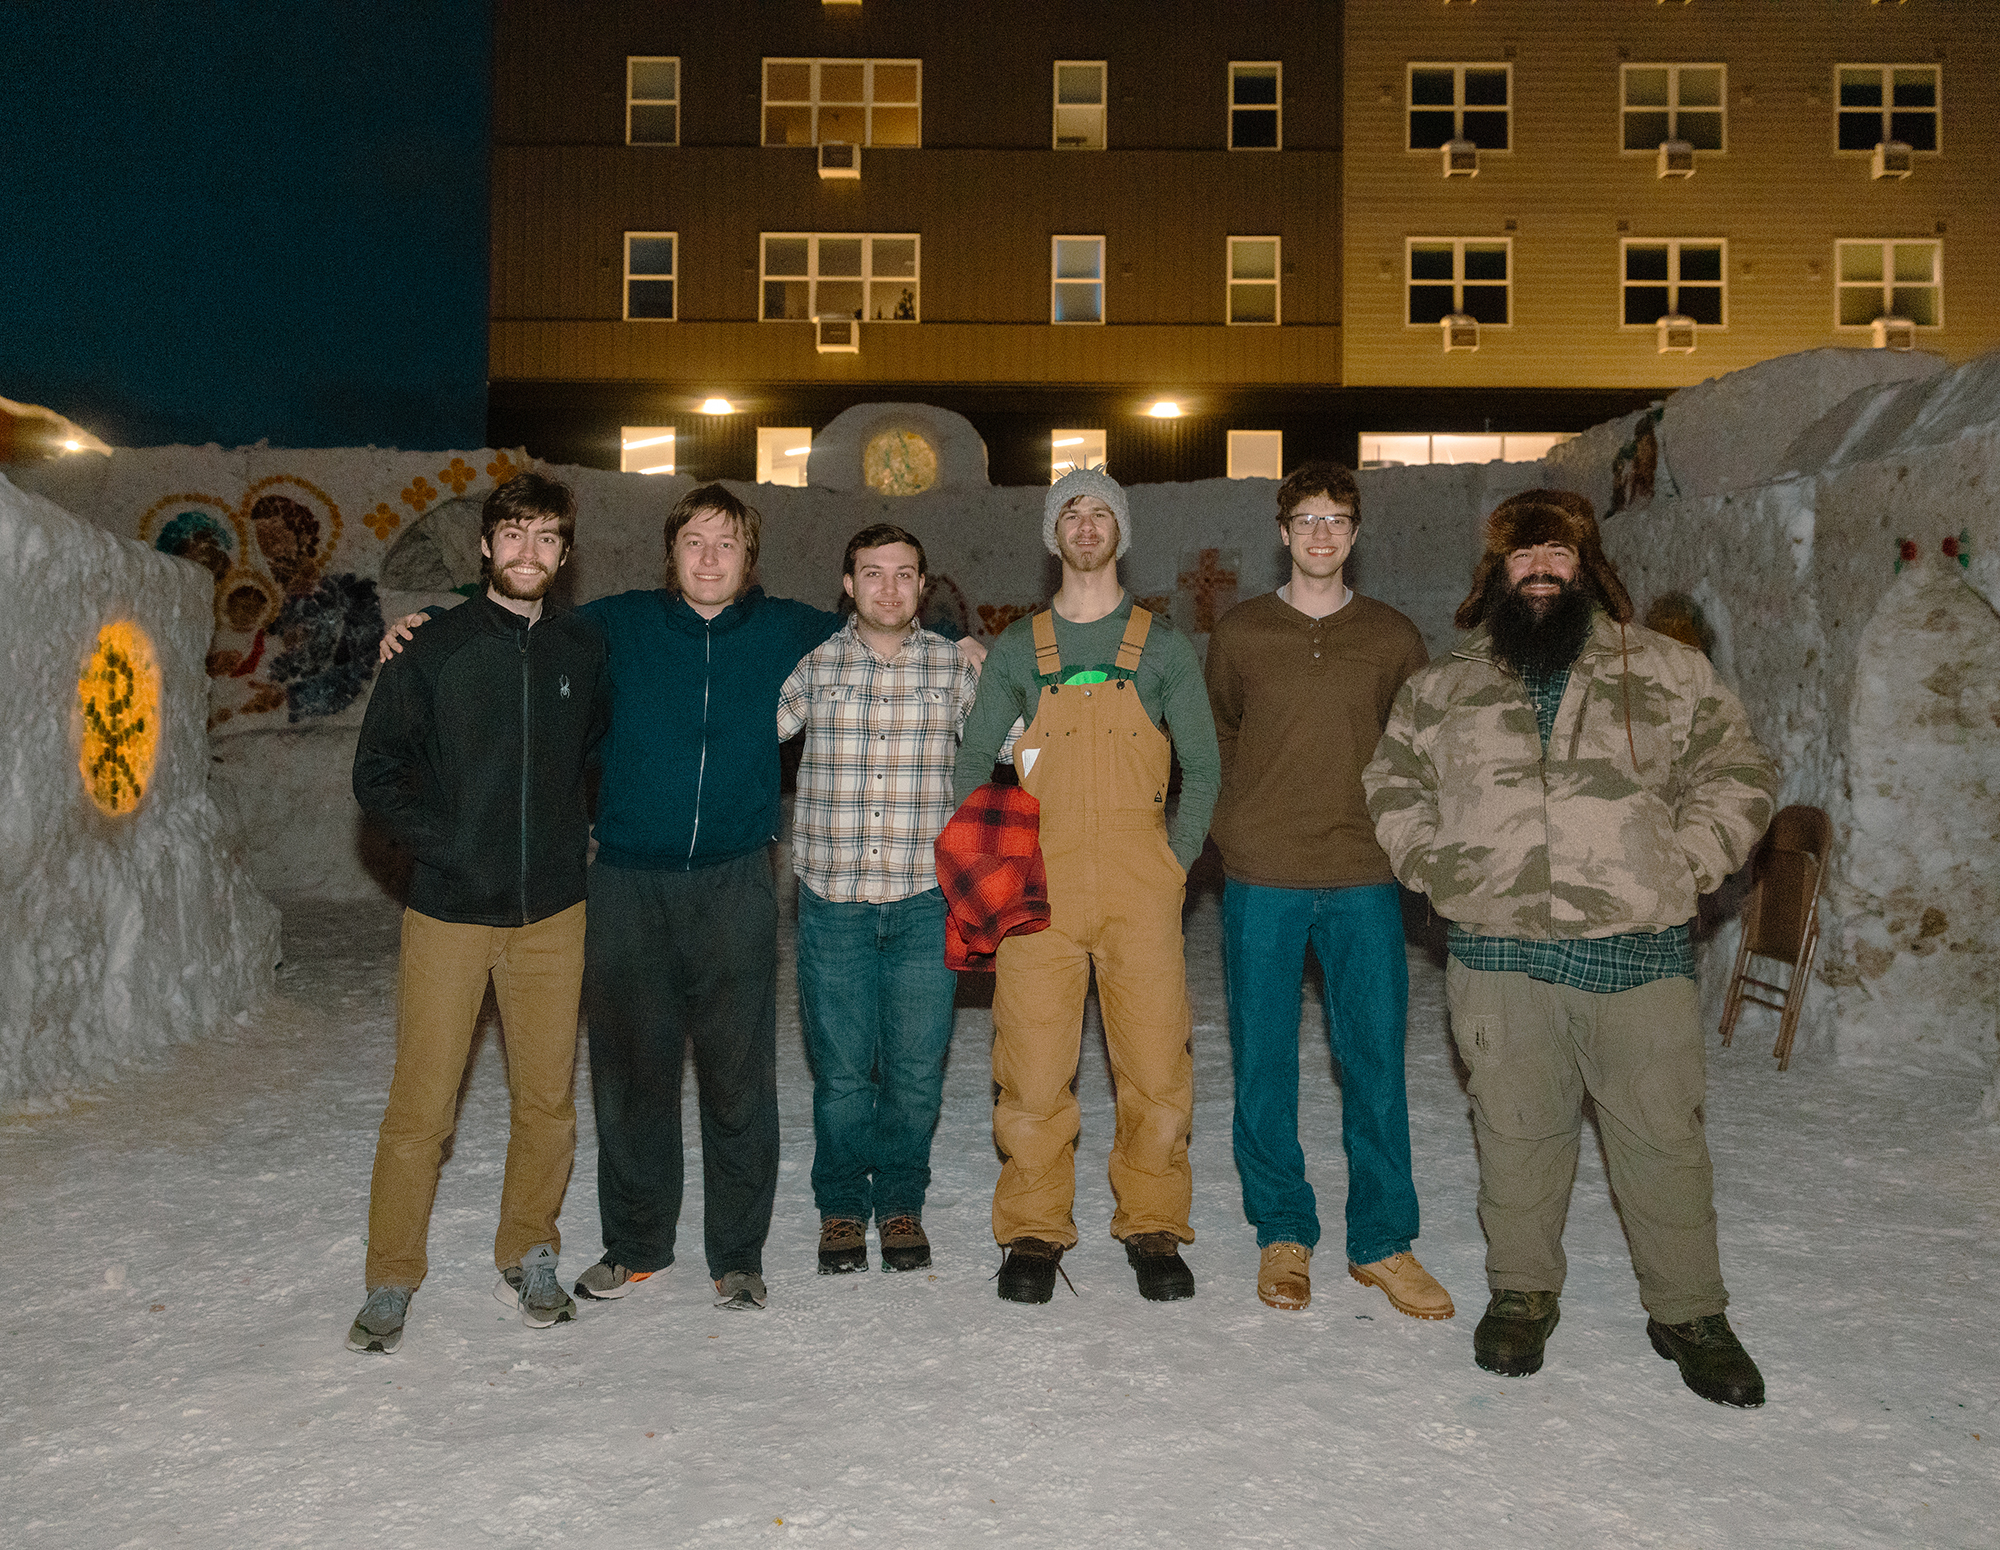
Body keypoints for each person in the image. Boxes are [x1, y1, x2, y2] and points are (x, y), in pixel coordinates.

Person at [381, 483, 983, 1314]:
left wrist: (968, 647)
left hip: (737, 881)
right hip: (627, 880)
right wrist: (415, 626)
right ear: (671, 553)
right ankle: (634, 1243)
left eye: (727, 544)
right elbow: (515, 628)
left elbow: (884, 628)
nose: (709, 558)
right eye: (695, 542)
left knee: (740, 1079)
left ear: (750, 559)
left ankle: (737, 1255)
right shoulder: (615, 626)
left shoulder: (791, 634)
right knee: (632, 1073)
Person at [1364, 488, 1776, 1407]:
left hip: (1635, 955)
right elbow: (1393, 783)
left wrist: (1686, 863)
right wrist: (1436, 865)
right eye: (1523, 555)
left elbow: (1741, 771)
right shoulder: (1446, 685)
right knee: (1515, 1134)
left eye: (1558, 553)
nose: (1541, 569)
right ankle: (1521, 1294)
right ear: (1497, 573)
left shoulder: (1666, 673)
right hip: (1499, 955)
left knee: (1663, 1140)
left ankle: (1690, 1313)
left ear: (1587, 567)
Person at [347, 471, 610, 1353]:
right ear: (486, 546)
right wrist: (449, 843)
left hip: (551, 917)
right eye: (513, 534)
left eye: (546, 539)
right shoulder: (431, 648)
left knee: (546, 1101)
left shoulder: (582, 652)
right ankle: (391, 1276)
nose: (528, 552)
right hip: (451, 913)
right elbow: (377, 773)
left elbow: (599, 757)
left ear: (564, 556)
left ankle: (530, 1248)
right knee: (422, 1106)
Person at [951, 467, 1220, 1303]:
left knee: (1154, 1072)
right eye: (1071, 511)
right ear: (1051, 535)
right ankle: (1033, 1229)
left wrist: (1172, 865)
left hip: (1141, 888)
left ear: (1122, 532)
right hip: (1041, 893)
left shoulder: (1163, 646)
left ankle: (1153, 1224)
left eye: (1102, 510)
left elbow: (1204, 767)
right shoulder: (1019, 648)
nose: (1087, 522)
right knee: (1031, 1072)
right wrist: (996, 870)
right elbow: (972, 762)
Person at [1203, 463, 1451, 1319]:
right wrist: (1235, 827)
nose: (1319, 534)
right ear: (1282, 532)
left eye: (1335, 521)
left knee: (1375, 1062)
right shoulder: (1240, 633)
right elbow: (1222, 731)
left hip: (1364, 873)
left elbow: (1417, 748)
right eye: (1304, 519)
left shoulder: (1391, 636)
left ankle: (1383, 1242)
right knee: (1264, 1063)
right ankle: (1283, 1231)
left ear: (1354, 534)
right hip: (1262, 877)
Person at [776, 524, 978, 1276]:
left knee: (917, 1070)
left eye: (904, 575)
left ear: (924, 586)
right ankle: (839, 1207)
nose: (889, 588)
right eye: (872, 573)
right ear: (847, 583)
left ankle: (899, 1201)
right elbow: (742, 735)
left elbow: (1013, 747)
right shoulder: (815, 666)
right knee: (841, 1072)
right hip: (834, 901)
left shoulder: (953, 668)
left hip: (928, 902)